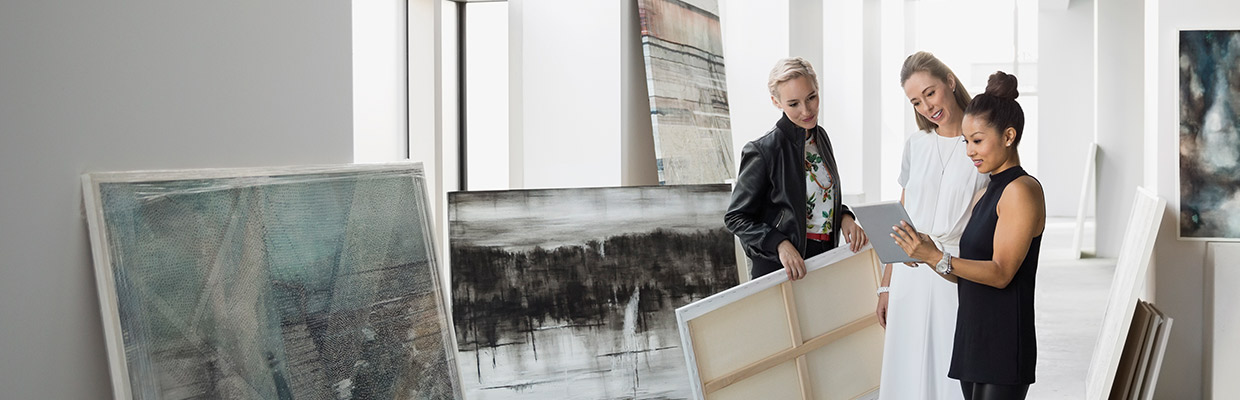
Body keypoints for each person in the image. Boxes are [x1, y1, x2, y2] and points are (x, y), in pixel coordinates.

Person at [892, 71, 1045, 400]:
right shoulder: (985, 194)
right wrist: (926, 254)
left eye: (977, 140)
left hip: (1004, 340)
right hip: (972, 337)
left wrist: (936, 256)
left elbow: (1001, 273)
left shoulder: (1021, 191)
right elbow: (967, 274)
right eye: (965, 141)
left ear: (1008, 136)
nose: (969, 151)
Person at [877, 51, 989, 400]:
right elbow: (904, 211)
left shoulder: (980, 144)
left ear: (950, 82)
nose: (926, 106)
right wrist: (886, 286)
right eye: (916, 101)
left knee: (951, 370)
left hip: (953, 270)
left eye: (930, 92)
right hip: (909, 272)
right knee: (907, 368)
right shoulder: (916, 144)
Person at [725, 57, 869, 280]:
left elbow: (818, 198)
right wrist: (780, 243)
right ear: (776, 102)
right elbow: (736, 217)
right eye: (794, 104)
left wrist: (844, 217)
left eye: (811, 97)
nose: (806, 110)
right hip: (781, 266)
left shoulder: (820, 138)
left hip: (823, 257)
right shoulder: (763, 150)